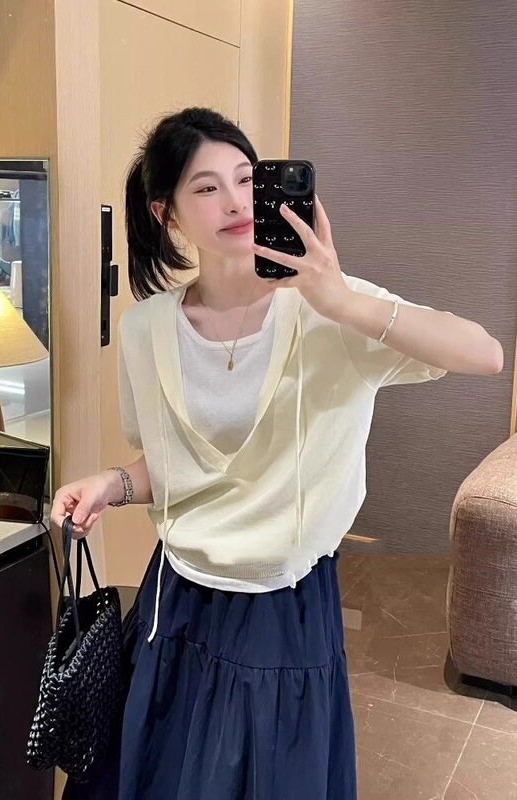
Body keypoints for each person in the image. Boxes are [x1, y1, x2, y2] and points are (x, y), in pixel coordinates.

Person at [53, 107, 503, 800]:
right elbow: (176, 470)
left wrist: (344, 301)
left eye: (245, 178)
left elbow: (485, 354)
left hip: (283, 607)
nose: (236, 201)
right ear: (167, 214)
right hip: (176, 600)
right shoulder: (145, 330)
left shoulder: (329, 310)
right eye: (206, 187)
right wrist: (111, 484)